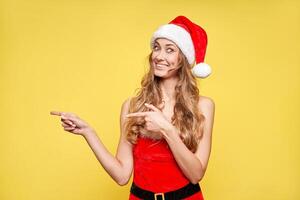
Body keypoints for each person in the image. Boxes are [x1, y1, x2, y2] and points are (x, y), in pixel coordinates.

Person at [50, 15, 215, 200]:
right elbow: (121, 176)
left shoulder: (202, 106)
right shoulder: (132, 106)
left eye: (170, 50)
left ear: (183, 59)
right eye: (156, 48)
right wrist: (88, 132)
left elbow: (196, 174)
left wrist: (166, 129)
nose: (159, 56)